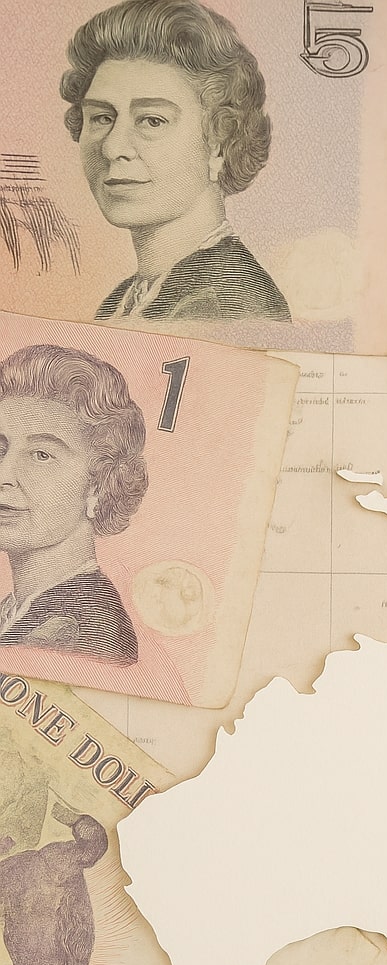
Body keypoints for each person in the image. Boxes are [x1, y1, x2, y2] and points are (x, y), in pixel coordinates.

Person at [61, 0, 291, 324]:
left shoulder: (232, 303)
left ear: (220, 142)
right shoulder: (119, 302)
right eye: (101, 117)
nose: (113, 147)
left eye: (152, 120)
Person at [0, 343, 146, 662]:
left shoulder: (90, 632)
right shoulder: (13, 611)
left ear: (98, 486)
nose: (3, 475)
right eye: (0, 449)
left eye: (41, 455)